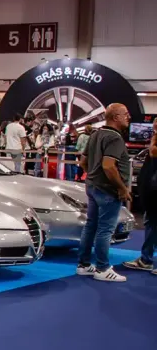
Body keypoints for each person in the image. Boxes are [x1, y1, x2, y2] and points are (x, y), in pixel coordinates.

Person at [76, 104, 133, 282]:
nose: (128, 117)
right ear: (115, 117)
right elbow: (108, 166)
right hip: (108, 191)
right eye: (125, 114)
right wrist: (122, 188)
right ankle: (102, 268)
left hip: (93, 187)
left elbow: (83, 162)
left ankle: (84, 265)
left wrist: (93, 177)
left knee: (91, 225)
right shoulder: (114, 138)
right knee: (105, 229)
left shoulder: (95, 134)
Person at [121, 128, 157, 273]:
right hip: (152, 194)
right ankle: (145, 259)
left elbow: (153, 151)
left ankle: (146, 259)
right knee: (152, 224)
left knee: (152, 224)